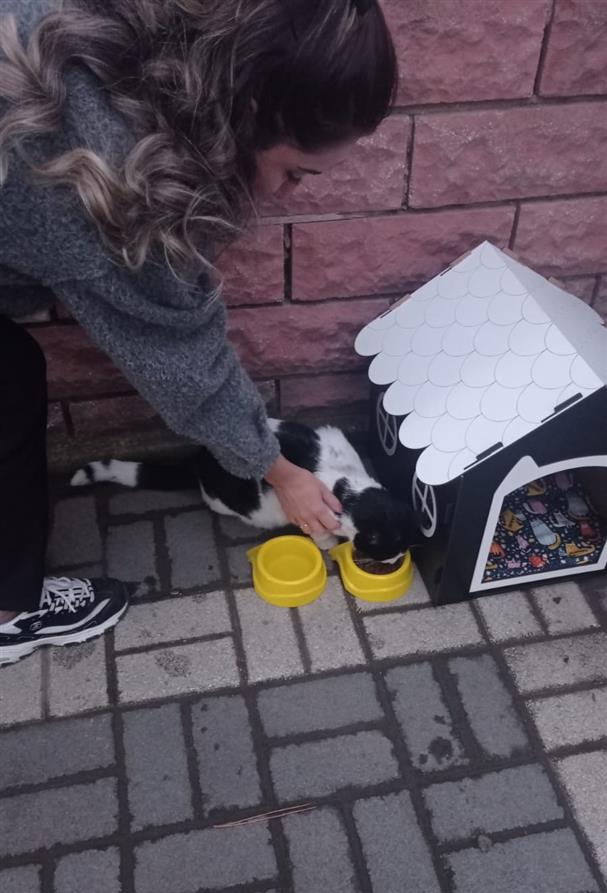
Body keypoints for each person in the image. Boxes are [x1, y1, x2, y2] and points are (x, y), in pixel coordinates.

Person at [0, 0, 397, 665]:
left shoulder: (139, 38)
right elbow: (184, 365)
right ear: (248, 113)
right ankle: (8, 616)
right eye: (295, 171)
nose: (288, 194)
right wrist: (281, 473)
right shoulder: (115, 179)